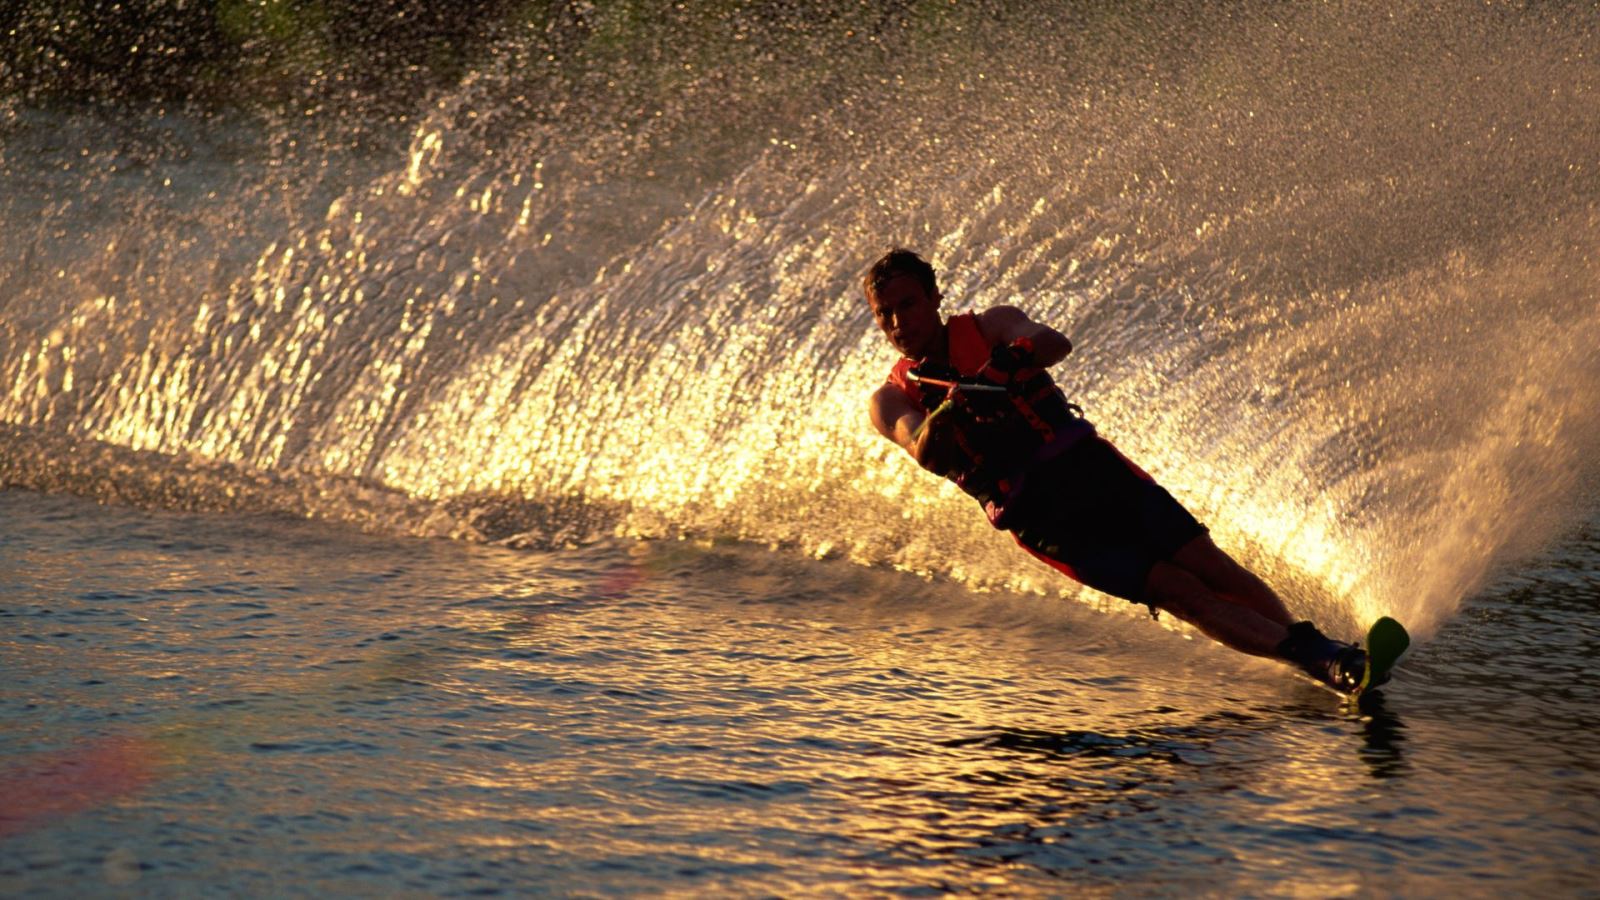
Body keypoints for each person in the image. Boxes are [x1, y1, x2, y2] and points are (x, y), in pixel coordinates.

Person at [863, 248, 1369, 692]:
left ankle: (1320, 656)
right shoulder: (890, 399)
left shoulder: (990, 326)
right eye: (885, 315)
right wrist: (951, 409)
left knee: (1209, 565)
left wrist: (1008, 363)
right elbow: (925, 451)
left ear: (933, 296)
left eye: (907, 305)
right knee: (1179, 592)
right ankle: (1323, 659)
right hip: (1045, 520)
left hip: (1094, 472)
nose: (898, 323)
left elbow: (1052, 341)